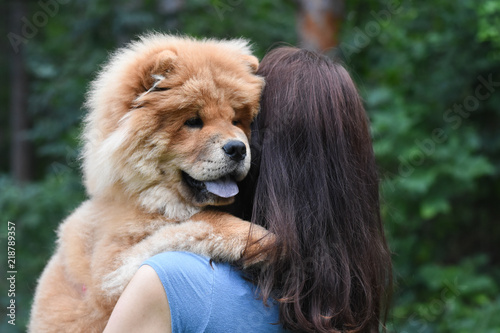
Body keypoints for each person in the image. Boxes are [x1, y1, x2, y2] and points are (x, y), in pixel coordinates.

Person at [104, 47, 392, 333]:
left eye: (241, 122)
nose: (235, 141)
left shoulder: (171, 283)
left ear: (271, 154)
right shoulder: (349, 306)